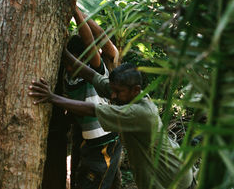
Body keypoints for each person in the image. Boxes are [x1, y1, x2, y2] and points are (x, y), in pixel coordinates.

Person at [29, 56, 195, 189]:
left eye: (118, 92)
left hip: (173, 179)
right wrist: (64, 53)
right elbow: (92, 76)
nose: (113, 96)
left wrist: (52, 98)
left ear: (135, 90)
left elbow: (92, 109)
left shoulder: (141, 113)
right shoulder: (127, 95)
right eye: (112, 90)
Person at [66, 7, 121, 189]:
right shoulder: (68, 79)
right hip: (90, 143)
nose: (72, 66)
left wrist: (76, 13)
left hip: (107, 140)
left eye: (78, 61)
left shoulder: (96, 72)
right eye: (70, 62)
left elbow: (90, 43)